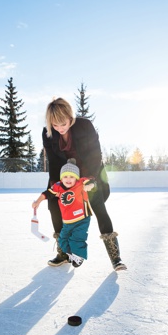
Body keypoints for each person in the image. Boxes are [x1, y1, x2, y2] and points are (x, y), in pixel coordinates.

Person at [42, 98, 126, 271]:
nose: (60, 128)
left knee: (97, 205)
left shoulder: (84, 126)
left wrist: (89, 179)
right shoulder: (48, 133)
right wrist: (56, 187)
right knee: (54, 205)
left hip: (90, 174)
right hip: (66, 178)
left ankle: (115, 258)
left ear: (70, 117)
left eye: (63, 123)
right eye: (55, 125)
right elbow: (53, 162)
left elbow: (95, 155)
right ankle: (64, 252)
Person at [32, 159, 95, 268]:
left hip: (82, 219)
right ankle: (71, 254)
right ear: (61, 178)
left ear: (76, 177)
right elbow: (47, 193)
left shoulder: (81, 182)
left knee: (77, 239)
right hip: (67, 221)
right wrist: (38, 201)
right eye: (65, 177)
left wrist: (90, 186)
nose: (68, 179)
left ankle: (79, 256)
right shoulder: (58, 186)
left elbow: (92, 181)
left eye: (71, 177)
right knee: (62, 240)